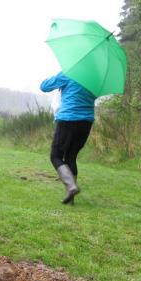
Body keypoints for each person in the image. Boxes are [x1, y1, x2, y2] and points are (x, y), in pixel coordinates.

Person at [40, 72, 97, 204]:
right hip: (86, 122)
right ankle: (71, 198)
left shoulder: (69, 73)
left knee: (55, 156)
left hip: (68, 119)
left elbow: (44, 86)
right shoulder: (94, 78)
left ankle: (71, 186)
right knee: (71, 156)